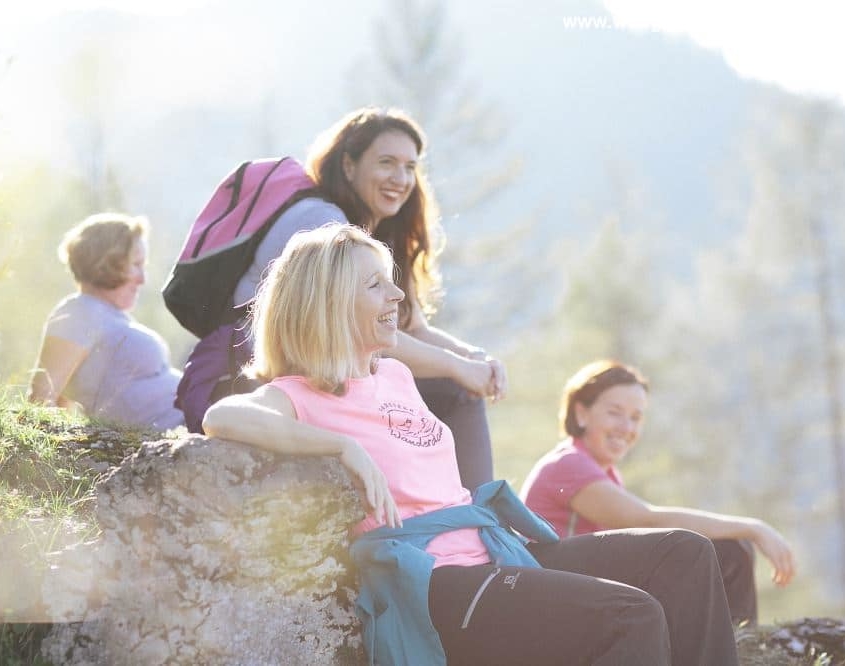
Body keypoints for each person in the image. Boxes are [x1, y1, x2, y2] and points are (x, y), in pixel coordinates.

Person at [203, 224, 739, 666]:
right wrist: (340, 446)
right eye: (374, 287)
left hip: (495, 551)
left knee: (685, 553)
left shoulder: (393, 375)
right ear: (326, 304)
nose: (395, 297)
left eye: (391, 282)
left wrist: (467, 366)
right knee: (631, 615)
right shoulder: (295, 394)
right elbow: (221, 415)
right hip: (438, 585)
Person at [179, 106, 504, 491]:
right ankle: (479, 514)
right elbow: (356, 332)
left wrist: (474, 359)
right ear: (348, 166)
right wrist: (457, 369)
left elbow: (412, 326)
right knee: (453, 390)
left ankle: (462, 511)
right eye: (386, 163)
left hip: (323, 375)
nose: (400, 179)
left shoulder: (371, 236)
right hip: (250, 377)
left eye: (410, 167)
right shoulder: (323, 225)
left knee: (451, 386)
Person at [520, 359, 797, 626]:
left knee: (727, 547)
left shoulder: (604, 472)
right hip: (556, 595)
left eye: (636, 417)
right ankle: (736, 647)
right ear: (581, 413)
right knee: (729, 550)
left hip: (581, 584)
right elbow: (645, 520)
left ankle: (735, 643)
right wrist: (753, 527)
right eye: (614, 412)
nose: (626, 428)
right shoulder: (569, 464)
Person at [28, 213, 184, 430]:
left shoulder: (107, 315)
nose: (142, 279)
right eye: (136, 264)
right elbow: (42, 398)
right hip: (179, 429)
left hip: (192, 420)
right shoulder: (79, 311)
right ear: (107, 262)